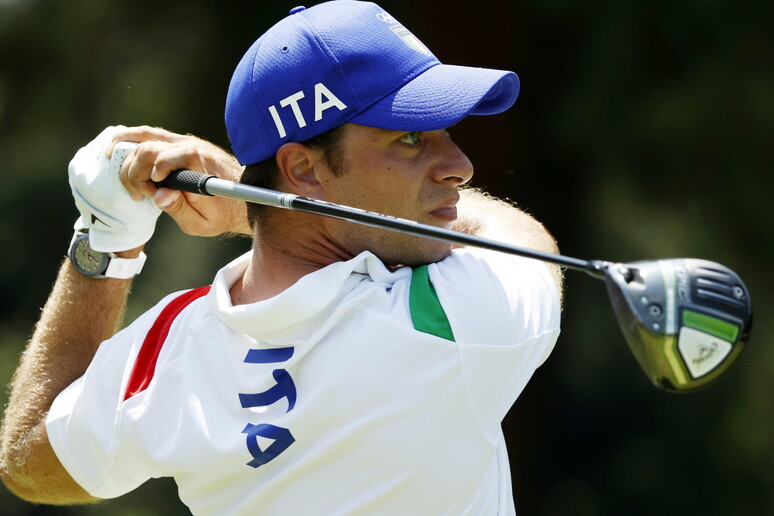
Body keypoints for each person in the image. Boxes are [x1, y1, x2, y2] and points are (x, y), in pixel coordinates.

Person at [0, 1, 562, 514]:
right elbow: (526, 241)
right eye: (409, 138)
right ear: (303, 171)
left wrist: (107, 237)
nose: (459, 164)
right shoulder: (447, 321)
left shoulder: (169, 347)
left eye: (442, 131)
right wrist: (247, 211)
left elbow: (28, 462)